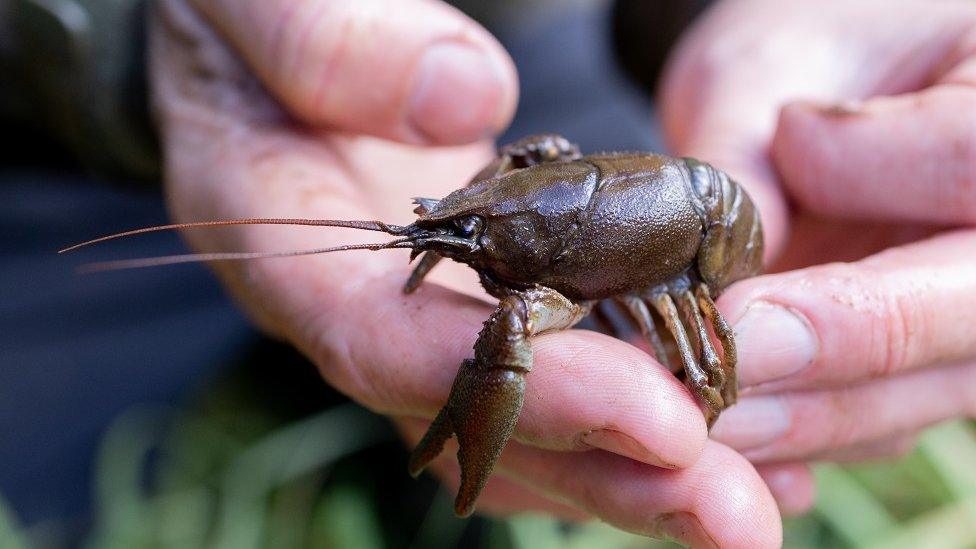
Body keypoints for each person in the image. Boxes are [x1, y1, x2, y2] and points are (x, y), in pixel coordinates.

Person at [7, 0, 976, 546]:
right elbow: (522, 170)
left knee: (522, 366)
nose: (450, 236)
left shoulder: (640, 259)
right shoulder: (496, 199)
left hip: (553, 49)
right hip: (57, 134)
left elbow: (538, 179)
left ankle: (444, 474)